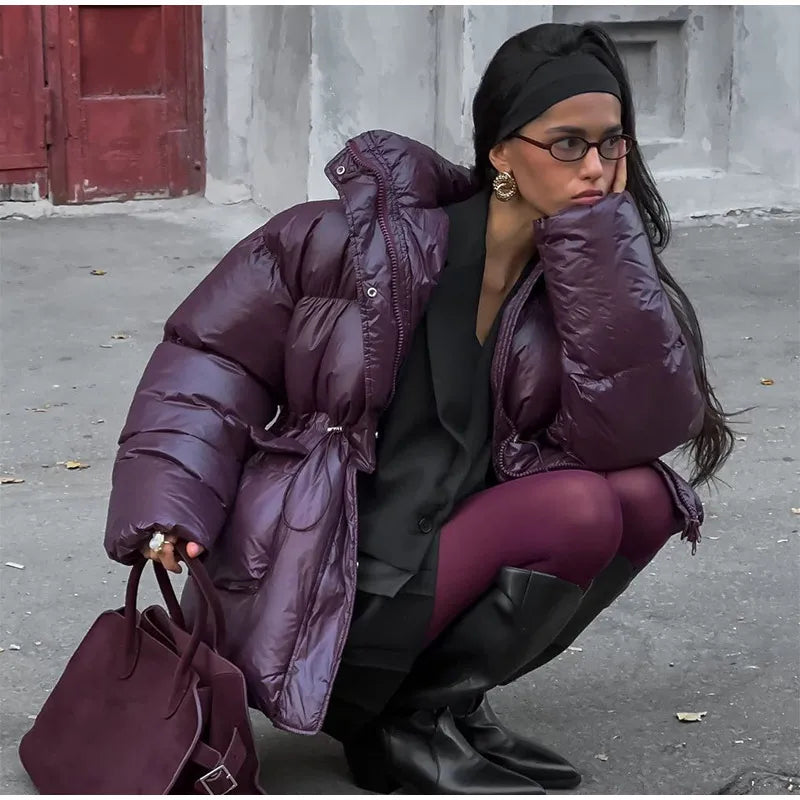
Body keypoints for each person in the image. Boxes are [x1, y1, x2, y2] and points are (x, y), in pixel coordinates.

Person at [103, 22, 734, 795]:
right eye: (568, 144)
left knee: (641, 496)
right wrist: (167, 506)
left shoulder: (576, 282)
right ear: (503, 151)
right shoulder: (346, 245)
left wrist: (603, 256)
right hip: (323, 577)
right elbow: (210, 361)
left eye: (613, 145)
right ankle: (392, 724)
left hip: (445, 557)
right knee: (579, 508)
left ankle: (436, 712)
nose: (598, 169)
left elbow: (636, 433)